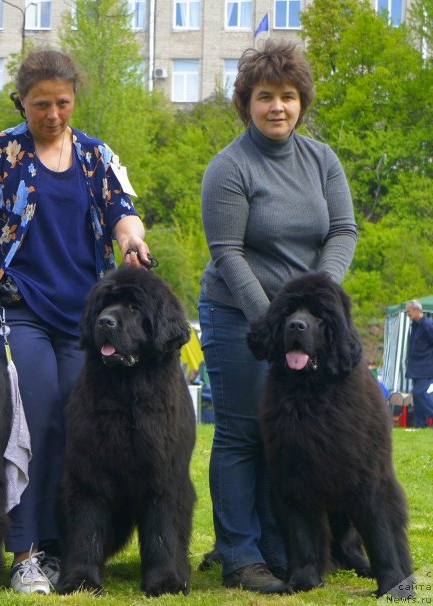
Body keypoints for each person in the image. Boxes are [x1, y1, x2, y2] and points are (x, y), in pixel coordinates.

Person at [0, 49, 152, 595]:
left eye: (63, 103)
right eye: (42, 105)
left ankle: (70, 548)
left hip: (86, 319)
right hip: (16, 310)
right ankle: (24, 553)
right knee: (33, 422)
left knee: (77, 428)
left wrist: (132, 240)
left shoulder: (95, 156)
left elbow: (123, 212)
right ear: (22, 102)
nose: (54, 114)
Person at [198, 39, 357, 593]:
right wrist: (271, 322)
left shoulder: (323, 161)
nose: (278, 108)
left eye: (288, 97)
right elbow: (228, 251)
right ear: (248, 104)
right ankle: (241, 555)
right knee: (243, 433)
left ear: (301, 102)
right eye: (265, 97)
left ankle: (281, 547)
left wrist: (316, 302)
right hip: (239, 313)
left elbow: (342, 230)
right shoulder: (229, 167)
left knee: (286, 437)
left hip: (302, 324)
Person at [404, 300, 433, 428]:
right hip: (416, 367)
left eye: (408, 311)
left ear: (417, 310)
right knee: (416, 396)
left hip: (426, 367)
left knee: (419, 392)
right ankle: (420, 424)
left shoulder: (428, 325)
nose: (407, 314)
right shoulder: (414, 325)